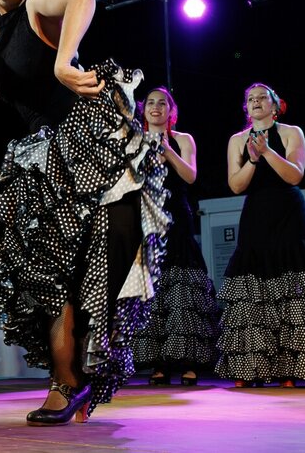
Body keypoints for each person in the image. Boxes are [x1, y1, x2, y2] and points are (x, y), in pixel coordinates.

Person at [0, 0, 168, 425]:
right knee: (50, 276)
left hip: (94, 141)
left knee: (114, 249)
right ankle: (65, 380)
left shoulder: (37, 5)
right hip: (47, 164)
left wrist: (64, 60)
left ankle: (88, 363)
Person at [216, 83, 305, 388]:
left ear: (275, 106)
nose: (256, 101)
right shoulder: (237, 140)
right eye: (251, 99)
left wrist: (267, 151)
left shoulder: (291, 132)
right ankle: (251, 367)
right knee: (253, 294)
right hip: (256, 215)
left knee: (289, 293)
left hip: (289, 214)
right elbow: (236, 185)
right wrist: (252, 160)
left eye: (263, 97)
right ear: (246, 108)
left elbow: (294, 175)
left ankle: (289, 369)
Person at [129, 87, 217, 387]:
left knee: (182, 290)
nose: (156, 107)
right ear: (143, 111)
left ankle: (189, 362)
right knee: (154, 292)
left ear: (171, 111)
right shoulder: (135, 140)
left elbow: (190, 176)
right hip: (146, 219)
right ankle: (160, 363)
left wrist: (167, 150)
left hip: (176, 216)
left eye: (162, 103)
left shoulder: (183, 140)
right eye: (150, 103)